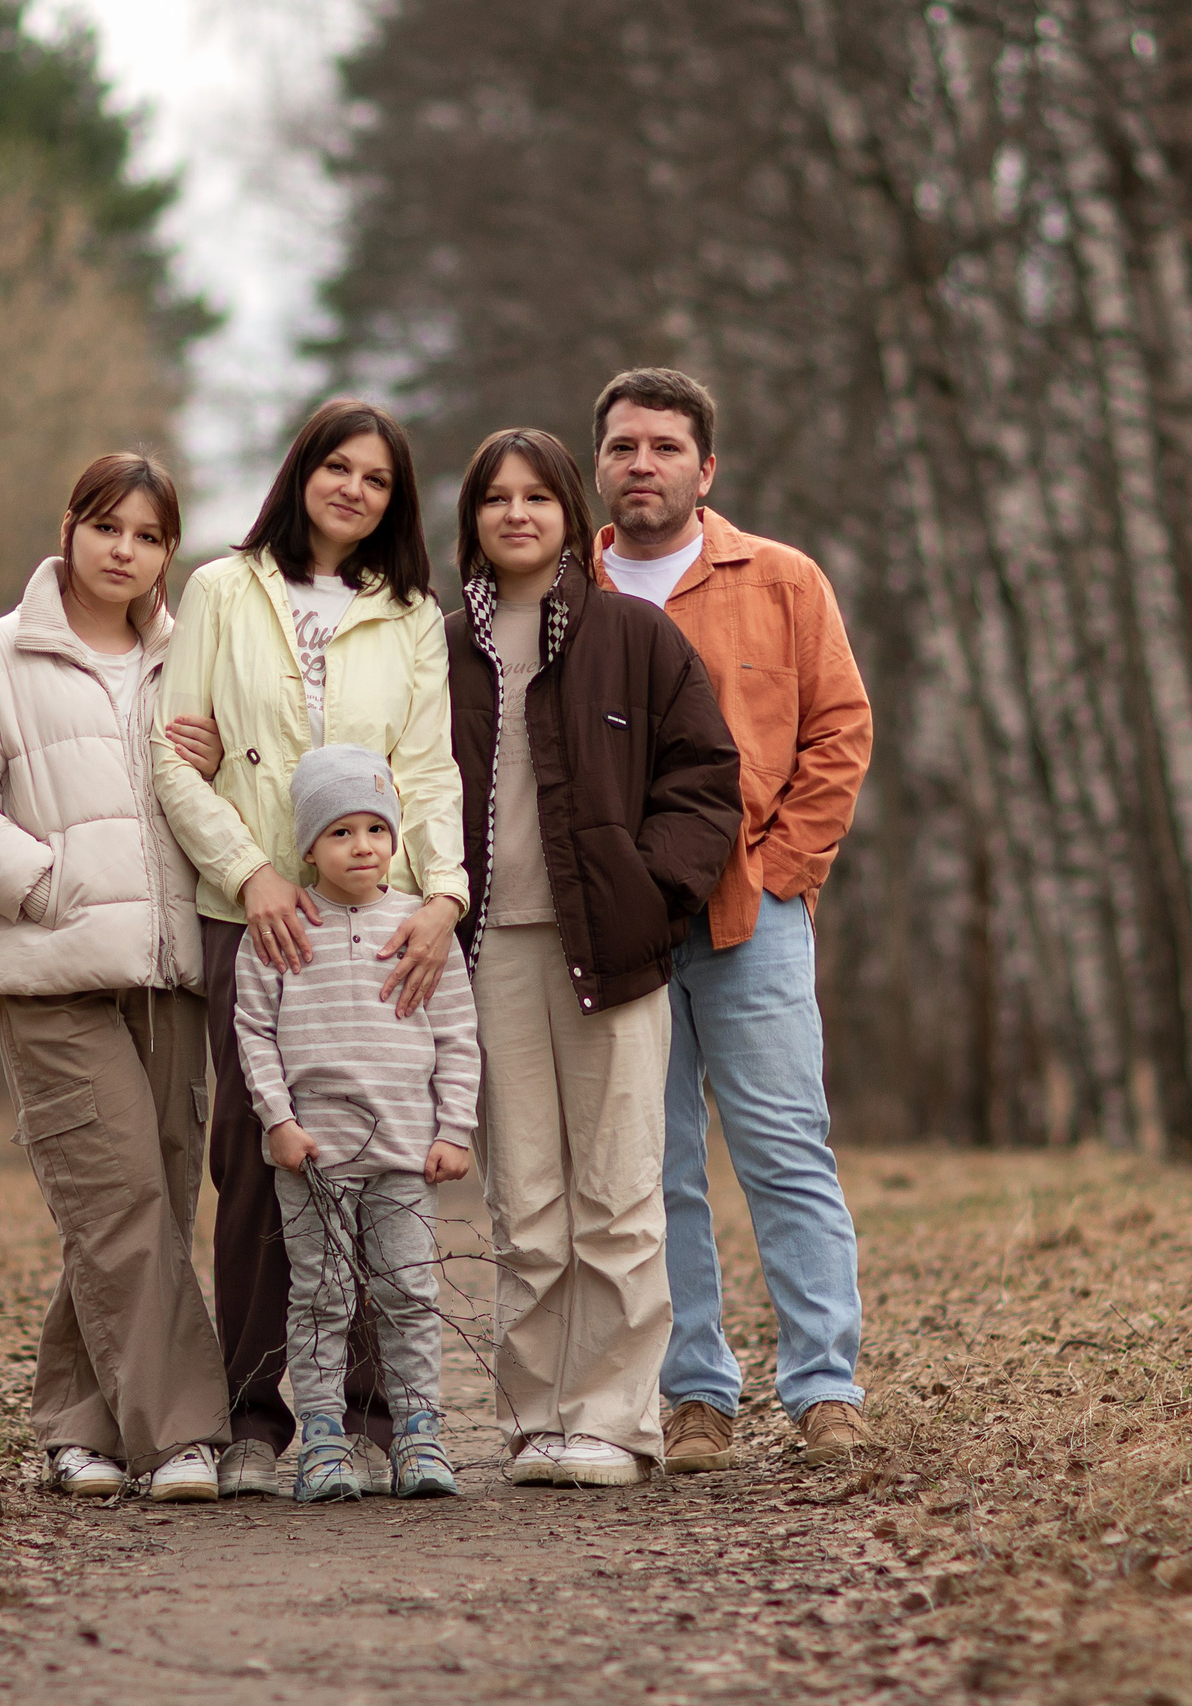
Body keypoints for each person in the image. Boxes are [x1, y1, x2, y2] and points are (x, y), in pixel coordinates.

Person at [152, 399, 469, 1498]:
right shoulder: (219, 589)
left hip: (378, 920)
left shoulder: (410, 612)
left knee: (377, 1152)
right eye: (336, 465)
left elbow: (426, 770)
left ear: (394, 501)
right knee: (256, 1160)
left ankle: (378, 1417)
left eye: (376, 478)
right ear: (300, 471)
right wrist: (250, 870)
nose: (353, 488)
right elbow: (174, 759)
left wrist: (441, 897)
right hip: (252, 912)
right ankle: (253, 1418)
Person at [0, 453, 227, 1502]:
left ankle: (76, 1427)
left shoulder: (194, 663)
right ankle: (181, 1432)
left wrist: (228, 761)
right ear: (70, 528)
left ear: (166, 551)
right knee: (121, 1195)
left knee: (150, 1202)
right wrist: (47, 887)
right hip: (51, 973)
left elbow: (234, 794)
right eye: (106, 527)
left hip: (171, 972)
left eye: (146, 534)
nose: (123, 549)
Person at [585, 369, 877, 1470]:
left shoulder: (781, 579)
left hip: (756, 916)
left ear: (706, 468)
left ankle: (824, 1387)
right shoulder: (572, 586)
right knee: (654, 1169)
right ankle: (696, 1395)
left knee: (785, 1150)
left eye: (665, 446)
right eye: (622, 447)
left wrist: (787, 868)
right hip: (622, 929)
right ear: (599, 464)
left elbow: (838, 728)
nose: (642, 463)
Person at [444, 428, 741, 1486]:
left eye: (536, 496)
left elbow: (705, 780)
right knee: (524, 1200)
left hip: (610, 952)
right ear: (472, 518)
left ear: (571, 511)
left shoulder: (636, 636)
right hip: (488, 953)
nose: (515, 514)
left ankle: (613, 1419)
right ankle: (536, 1416)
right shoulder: (442, 651)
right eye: (495, 498)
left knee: (615, 1192)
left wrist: (651, 896)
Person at [230, 744, 478, 1502]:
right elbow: (254, 1034)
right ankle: (324, 1445)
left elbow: (458, 1036)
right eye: (340, 832)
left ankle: (420, 1438)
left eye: (376, 828)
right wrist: (278, 1120)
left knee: (408, 1292)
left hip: (405, 1152)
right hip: (315, 1155)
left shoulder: (420, 928)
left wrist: (454, 1130)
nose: (362, 846)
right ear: (307, 846)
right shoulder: (278, 931)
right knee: (321, 1296)